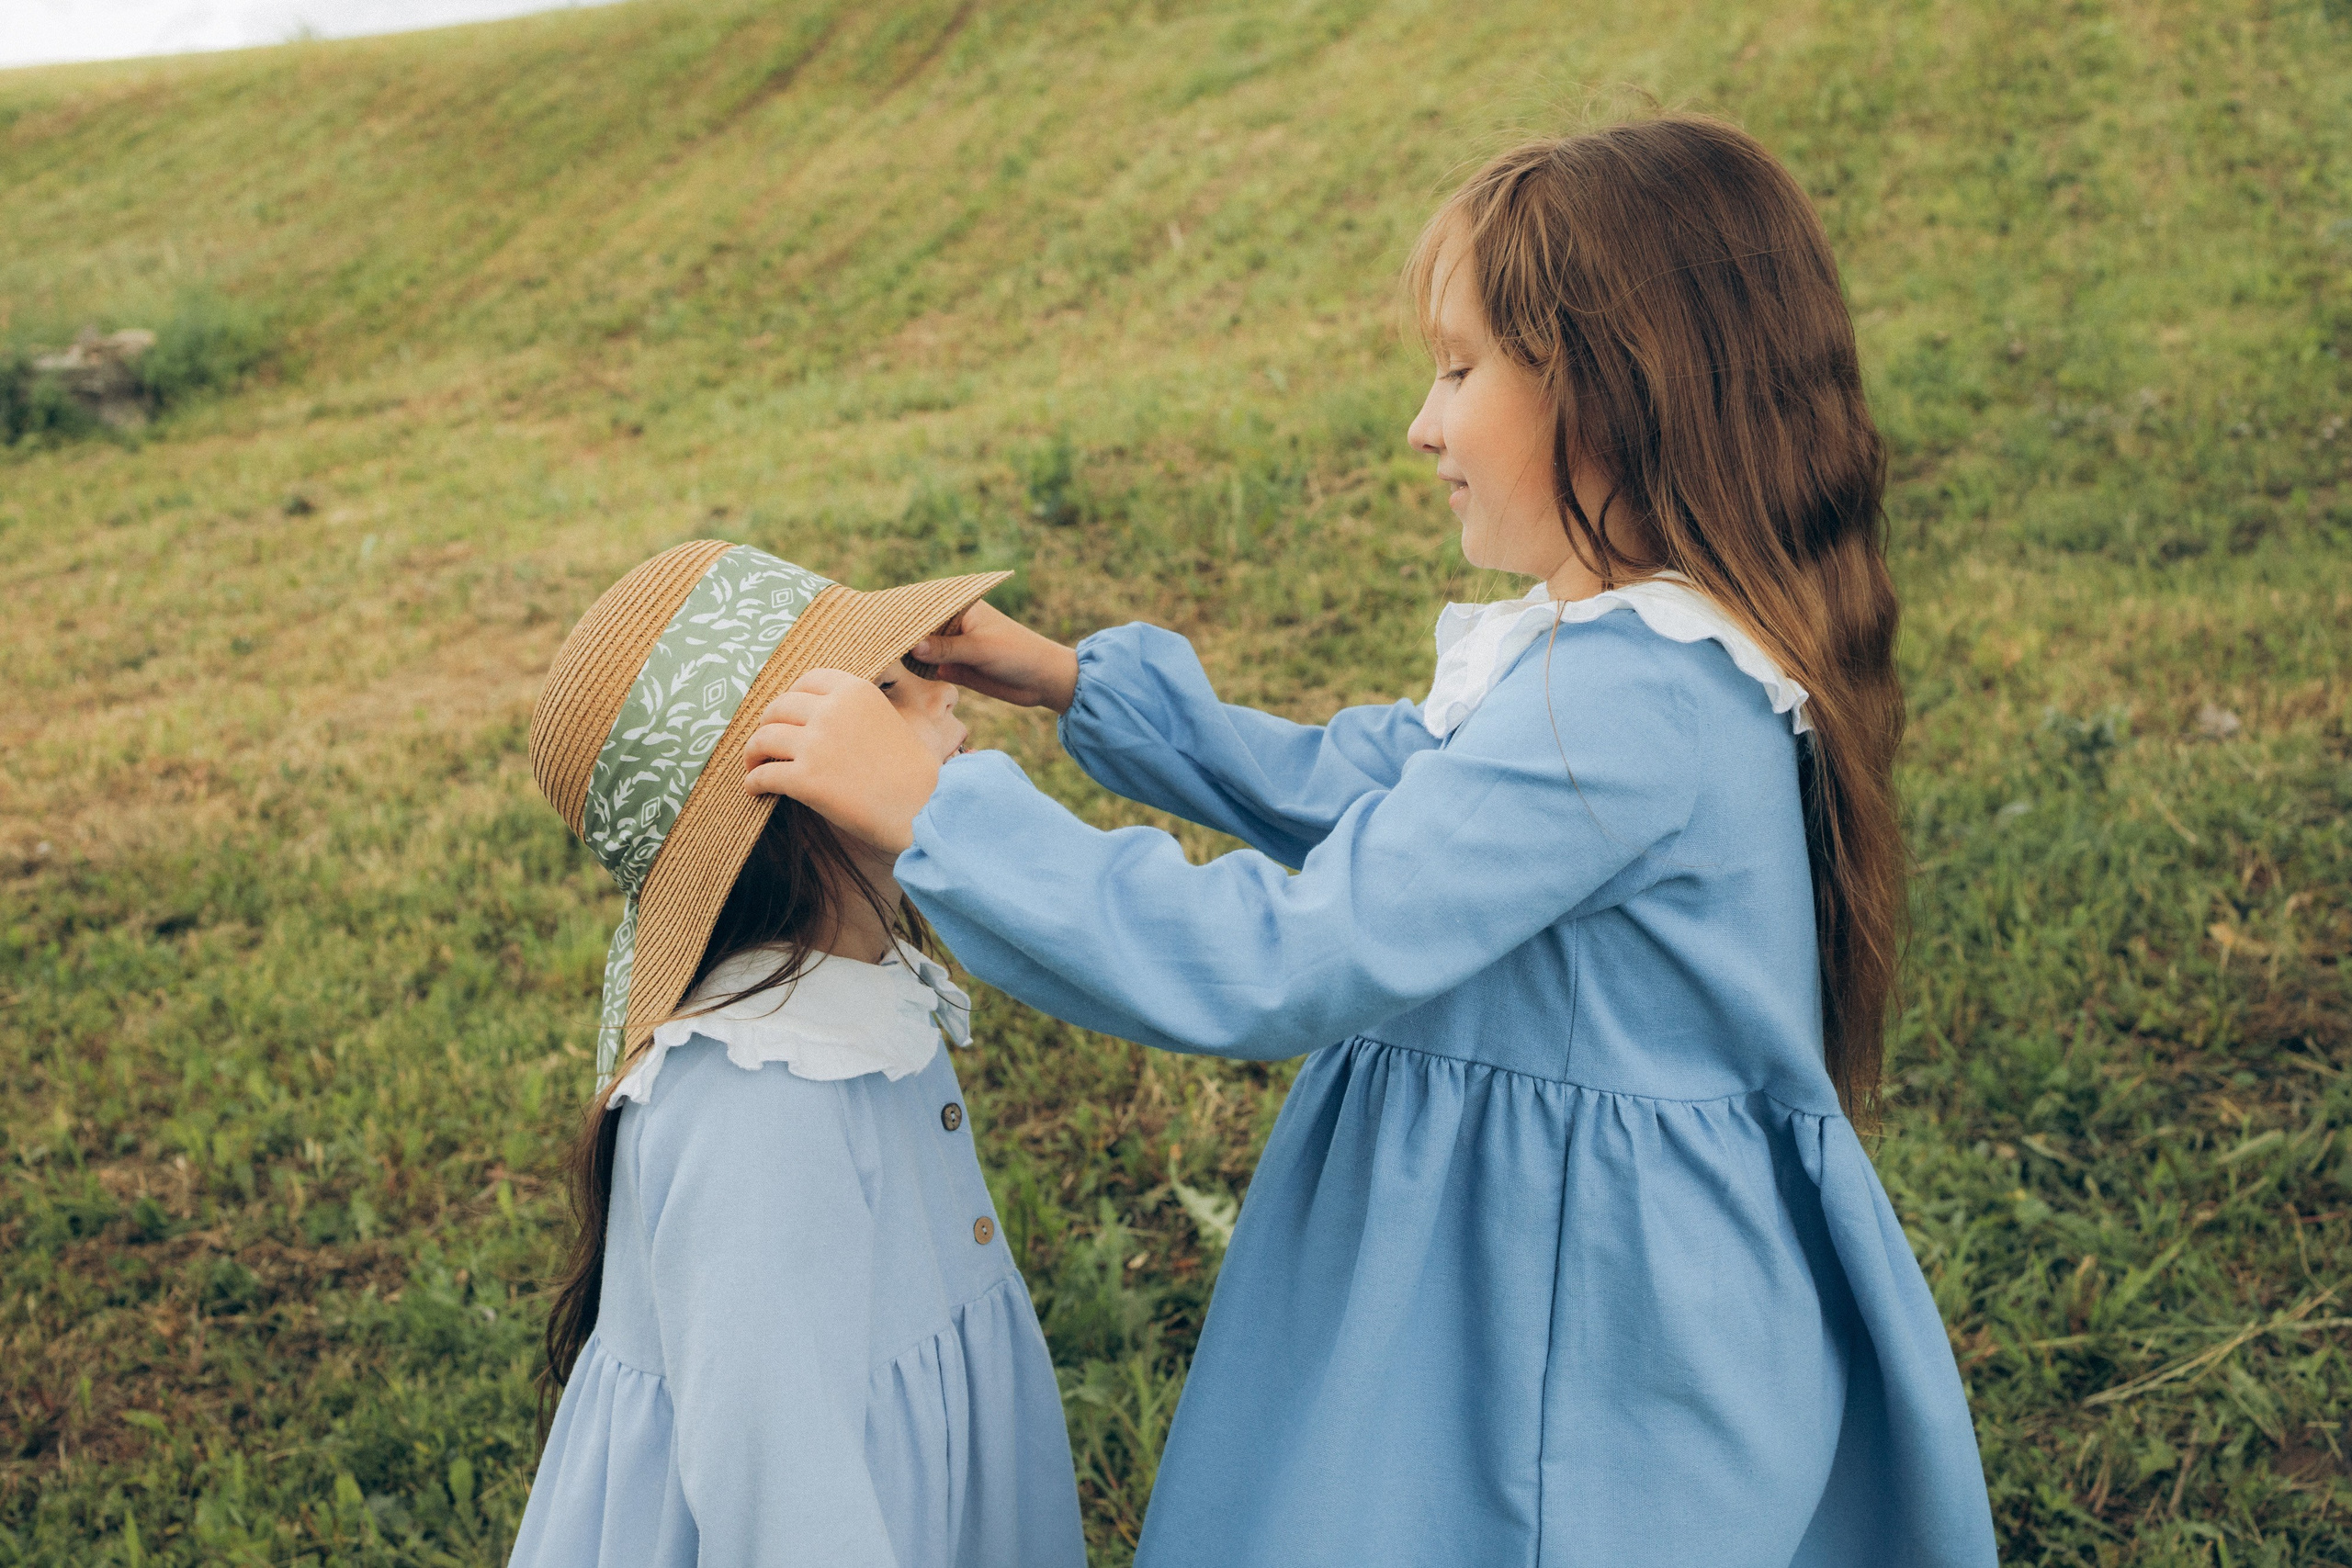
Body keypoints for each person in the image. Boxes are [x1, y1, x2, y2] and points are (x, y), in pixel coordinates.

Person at [742, 116, 2001, 1566]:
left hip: (1569, 1312)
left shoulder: (1631, 700)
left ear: (1615, 386)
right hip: (1553, 1246)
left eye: (1460, 369)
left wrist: (931, 807)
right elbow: (1381, 786)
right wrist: (1077, 683)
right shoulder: (1637, 661)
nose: (1423, 423)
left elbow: (1277, 958)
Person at [509, 540, 1085, 1568]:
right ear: (780, 794)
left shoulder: (854, 1001)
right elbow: (777, 1483)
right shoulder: (759, 1095)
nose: (947, 698)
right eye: (888, 692)